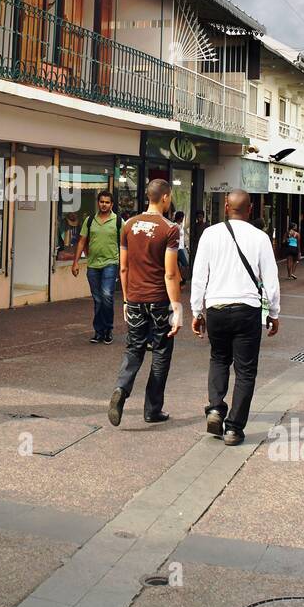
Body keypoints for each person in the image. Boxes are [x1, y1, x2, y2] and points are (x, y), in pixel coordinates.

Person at [190, 190, 281, 446]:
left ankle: (216, 408)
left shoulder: (210, 234)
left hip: (217, 307)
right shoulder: (261, 238)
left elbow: (199, 276)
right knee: (245, 371)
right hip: (247, 309)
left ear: (226, 206)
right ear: (251, 209)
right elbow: (271, 280)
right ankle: (233, 428)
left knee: (218, 359)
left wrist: (197, 311)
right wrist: (274, 313)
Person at [108, 178, 181, 427]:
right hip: (160, 299)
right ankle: (152, 409)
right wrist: (178, 307)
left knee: (134, 348)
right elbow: (170, 273)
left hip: (136, 297)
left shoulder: (128, 225)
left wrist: (127, 300)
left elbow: (124, 267)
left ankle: (121, 388)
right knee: (161, 352)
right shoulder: (170, 228)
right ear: (165, 198)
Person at [72, 190, 120, 344]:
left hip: (111, 263)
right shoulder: (90, 220)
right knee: (98, 299)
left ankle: (108, 329)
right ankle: (99, 332)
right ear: (98, 203)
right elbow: (81, 241)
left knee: (106, 295)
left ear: (111, 204)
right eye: (101, 202)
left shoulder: (118, 221)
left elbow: (126, 244)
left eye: (107, 202)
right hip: (93, 264)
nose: (104, 204)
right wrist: (75, 262)